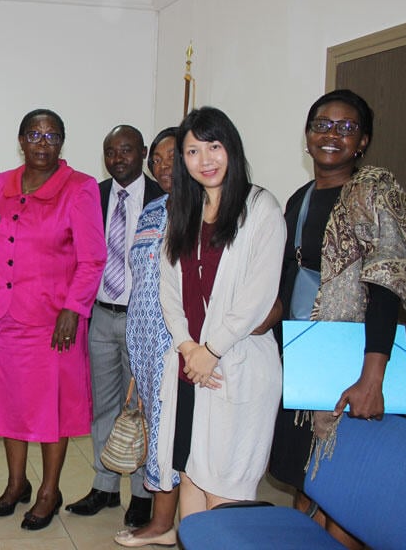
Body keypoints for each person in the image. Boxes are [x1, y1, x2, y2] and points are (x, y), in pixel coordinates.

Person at [269, 89, 406, 548]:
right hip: (305, 360)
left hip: (353, 362)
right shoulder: (300, 197)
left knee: (347, 499)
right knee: (306, 480)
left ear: (363, 141)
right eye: (322, 125)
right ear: (308, 135)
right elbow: (288, 276)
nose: (331, 134)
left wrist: (373, 376)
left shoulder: (374, 191)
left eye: (346, 127)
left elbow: (387, 283)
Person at [0, 109, 106, 531]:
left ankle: (50, 490)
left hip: (55, 324)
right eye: (34, 133)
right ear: (20, 139)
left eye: (52, 136)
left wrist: (73, 309)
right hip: (9, 319)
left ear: (61, 143)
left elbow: (92, 260)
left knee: (51, 408)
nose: (42, 142)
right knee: (11, 404)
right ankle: (17, 484)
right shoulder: (1, 185)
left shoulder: (80, 188)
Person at [158, 106, 284, 519]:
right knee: (192, 477)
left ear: (231, 147)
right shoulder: (184, 212)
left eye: (214, 146)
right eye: (193, 151)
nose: (205, 159)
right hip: (190, 368)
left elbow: (258, 298)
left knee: (226, 489)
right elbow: (170, 292)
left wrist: (210, 350)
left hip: (236, 366)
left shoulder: (260, 208)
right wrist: (188, 346)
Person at [66, 125, 164, 526]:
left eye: (126, 150)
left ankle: (142, 493)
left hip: (144, 319)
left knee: (140, 407)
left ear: (141, 152)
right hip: (101, 315)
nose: (118, 158)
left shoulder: (163, 196)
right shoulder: (95, 194)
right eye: (110, 151)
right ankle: (104, 486)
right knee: (102, 405)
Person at [114, 127, 180, 546]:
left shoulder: (203, 210)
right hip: (143, 342)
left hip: (177, 344)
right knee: (157, 432)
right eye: (156, 159)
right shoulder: (153, 209)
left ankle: (164, 523)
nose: (162, 165)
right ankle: (165, 522)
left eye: (173, 156)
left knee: (171, 433)